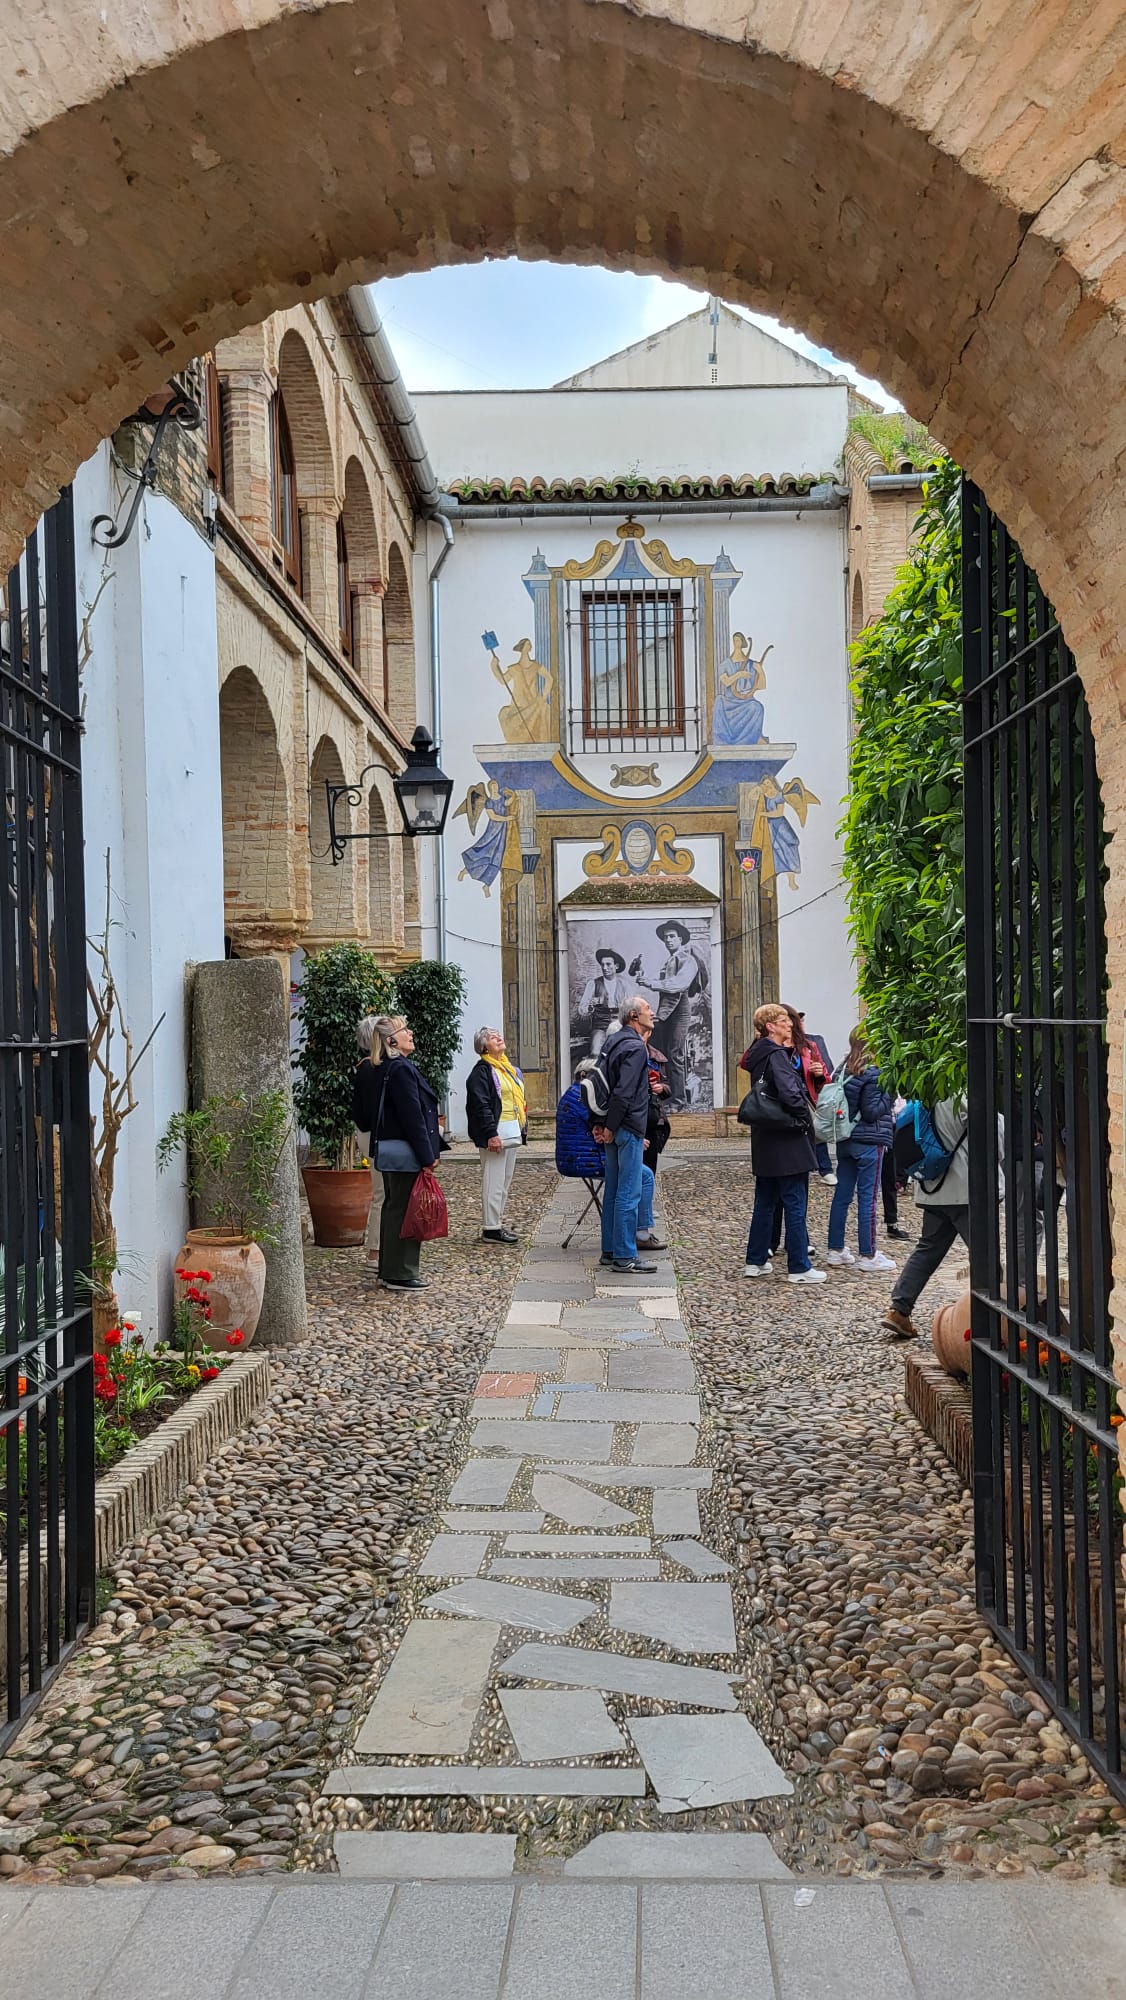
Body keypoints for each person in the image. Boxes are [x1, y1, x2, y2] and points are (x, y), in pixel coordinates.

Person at [742, 1003, 826, 1284]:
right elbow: (790, 1093)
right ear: (770, 1027)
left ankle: (755, 1260)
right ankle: (799, 1266)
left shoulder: (758, 1054)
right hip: (787, 1138)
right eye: (783, 1020)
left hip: (765, 1137)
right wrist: (804, 1117)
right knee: (795, 1202)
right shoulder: (776, 1055)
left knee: (765, 1202)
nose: (790, 1024)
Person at [357, 1014, 442, 1292]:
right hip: (406, 1151)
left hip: (393, 1149)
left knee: (394, 1207)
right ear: (391, 1040)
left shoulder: (387, 1066)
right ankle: (401, 1272)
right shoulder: (400, 1069)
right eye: (405, 1030)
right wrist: (427, 1155)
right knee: (405, 1209)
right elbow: (412, 1117)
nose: (411, 1033)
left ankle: (390, 1269)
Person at [883, 1098, 970, 1339]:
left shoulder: (924, 1093)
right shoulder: (964, 1096)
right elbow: (996, 1139)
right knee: (985, 1255)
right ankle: (997, 1316)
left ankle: (899, 1309)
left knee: (927, 1249)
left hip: (931, 1187)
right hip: (963, 1188)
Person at [591, 995, 659, 1274]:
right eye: (647, 1009)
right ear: (633, 1016)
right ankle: (625, 1256)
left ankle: (610, 1250)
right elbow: (623, 1092)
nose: (652, 1012)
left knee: (613, 1190)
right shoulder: (635, 1047)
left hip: (613, 1123)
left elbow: (600, 1083)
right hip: (627, 1126)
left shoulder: (612, 1042)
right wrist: (610, 1126)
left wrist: (600, 1123)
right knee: (629, 1192)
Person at [825, 1029, 897, 1273]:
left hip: (846, 1138)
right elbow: (871, 1111)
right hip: (868, 1142)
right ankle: (869, 1254)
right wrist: (890, 1094)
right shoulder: (875, 1073)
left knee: (842, 1196)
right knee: (868, 1199)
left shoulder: (842, 1069)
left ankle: (835, 1250)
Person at [629, 920, 704, 1110]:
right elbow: (664, 982)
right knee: (663, 1053)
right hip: (667, 1009)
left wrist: (650, 983)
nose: (668, 940)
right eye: (665, 937)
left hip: (680, 1009)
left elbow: (678, 984)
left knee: (675, 1054)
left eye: (672, 936)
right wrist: (646, 979)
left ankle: (679, 1100)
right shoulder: (670, 961)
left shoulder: (688, 960)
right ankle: (668, 1095)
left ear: (680, 939)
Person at [465, 1025, 526, 1245]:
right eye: (492, 1037)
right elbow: (481, 1105)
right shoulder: (481, 1072)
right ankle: (491, 1227)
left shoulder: (507, 1068)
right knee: (493, 1179)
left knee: (505, 1180)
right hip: (496, 1130)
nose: (499, 1038)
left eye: (499, 1035)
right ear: (483, 1047)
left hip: (511, 1129)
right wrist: (491, 1133)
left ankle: (497, 1222)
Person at [351, 1014, 385, 1269]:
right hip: (375, 1136)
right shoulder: (370, 1069)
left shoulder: (368, 1067)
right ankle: (375, 1251)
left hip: (371, 1135)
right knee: (382, 1194)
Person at [638, 1030, 670, 1252]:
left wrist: (662, 1088)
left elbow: (668, 1086)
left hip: (652, 1118)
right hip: (636, 1119)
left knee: (649, 1168)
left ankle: (646, 1208)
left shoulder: (656, 1057)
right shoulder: (629, 1054)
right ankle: (640, 1223)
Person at [577, 948, 632, 1059]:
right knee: (595, 1053)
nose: (604, 968)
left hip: (619, 1024)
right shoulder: (593, 984)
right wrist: (590, 1006)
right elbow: (582, 1009)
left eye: (608, 964)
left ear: (616, 966)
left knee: (623, 1053)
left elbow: (632, 1007)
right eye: (602, 965)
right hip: (600, 1026)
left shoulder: (625, 984)